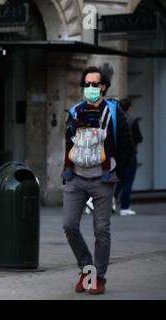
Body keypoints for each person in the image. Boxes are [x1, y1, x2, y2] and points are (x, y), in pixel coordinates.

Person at [61, 66, 134, 295]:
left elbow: (127, 146)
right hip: (76, 178)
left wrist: (114, 171)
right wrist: (67, 170)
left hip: (102, 179)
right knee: (69, 224)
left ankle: (98, 277)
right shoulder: (75, 111)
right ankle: (87, 269)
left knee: (101, 229)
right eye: (87, 84)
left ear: (103, 86)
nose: (90, 88)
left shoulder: (114, 112)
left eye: (95, 84)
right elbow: (68, 142)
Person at [114, 98, 143, 216]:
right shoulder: (132, 119)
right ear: (130, 107)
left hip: (118, 155)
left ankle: (111, 200)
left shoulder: (115, 119)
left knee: (119, 180)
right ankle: (124, 207)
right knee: (128, 181)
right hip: (130, 154)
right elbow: (139, 137)